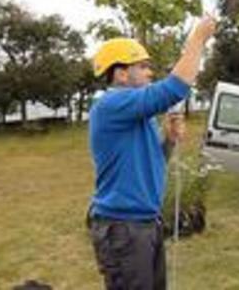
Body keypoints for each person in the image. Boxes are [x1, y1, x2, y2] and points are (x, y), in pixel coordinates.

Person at [87, 16, 216, 290]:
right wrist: (198, 39)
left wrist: (168, 141)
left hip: (144, 225)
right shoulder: (111, 104)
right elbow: (173, 88)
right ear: (121, 73)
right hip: (124, 229)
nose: (149, 73)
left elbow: (153, 162)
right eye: (143, 67)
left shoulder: (137, 113)